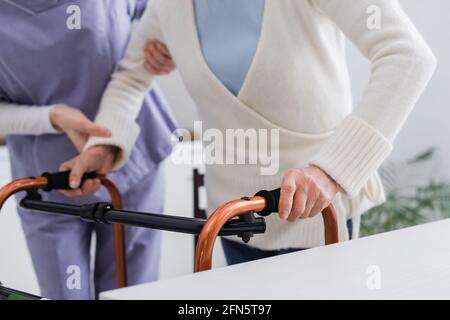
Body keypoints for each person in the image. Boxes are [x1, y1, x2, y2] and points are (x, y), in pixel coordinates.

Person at [62, 0, 436, 265]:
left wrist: (331, 171)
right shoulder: (169, 7)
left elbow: (408, 56)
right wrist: (105, 144)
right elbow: (129, 78)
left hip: (317, 214)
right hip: (232, 219)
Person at [0, 0, 176, 299]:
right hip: (47, 179)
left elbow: (166, 17)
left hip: (132, 159)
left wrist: (166, 49)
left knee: (131, 293)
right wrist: (52, 118)